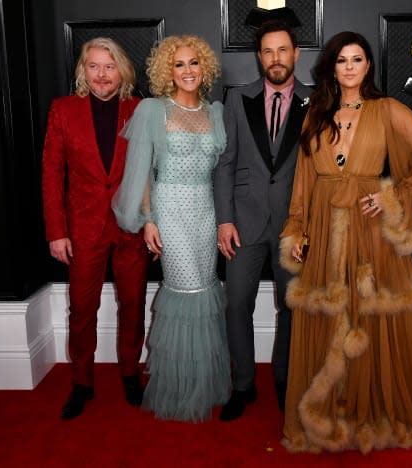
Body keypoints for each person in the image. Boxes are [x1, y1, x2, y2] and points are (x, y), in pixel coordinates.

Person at [279, 31, 412, 453]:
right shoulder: (315, 113)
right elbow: (303, 180)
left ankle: (371, 406)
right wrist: (296, 228)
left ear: (368, 66)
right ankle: (334, 403)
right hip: (323, 225)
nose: (350, 66)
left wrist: (394, 195)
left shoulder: (387, 109)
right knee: (330, 318)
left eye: (357, 59)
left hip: (370, 232)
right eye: (342, 60)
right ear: (332, 68)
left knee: (369, 318)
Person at [112, 35, 230, 422]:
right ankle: (178, 387)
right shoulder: (153, 110)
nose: (188, 71)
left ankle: (204, 382)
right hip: (170, 208)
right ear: (167, 71)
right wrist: (148, 220)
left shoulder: (216, 112)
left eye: (194, 63)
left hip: (204, 210)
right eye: (179, 64)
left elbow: (221, 173)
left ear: (205, 67)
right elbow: (143, 171)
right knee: (185, 289)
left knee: (206, 288)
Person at [42, 37, 149, 420]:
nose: (102, 75)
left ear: (122, 70)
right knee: (83, 309)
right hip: (83, 228)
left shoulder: (140, 110)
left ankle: (130, 374)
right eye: (94, 66)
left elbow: (155, 173)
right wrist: (57, 230)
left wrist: (152, 224)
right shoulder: (63, 110)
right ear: (83, 71)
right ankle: (82, 383)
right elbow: (52, 174)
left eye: (109, 66)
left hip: (132, 227)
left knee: (133, 305)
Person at [214, 19, 312, 421]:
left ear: (296, 54)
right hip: (243, 223)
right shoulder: (237, 99)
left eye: (283, 50)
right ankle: (243, 386)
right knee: (237, 305)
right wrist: (224, 220)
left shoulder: (316, 100)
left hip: (294, 226)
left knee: (292, 308)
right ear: (259, 57)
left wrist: (309, 225)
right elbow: (224, 164)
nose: (276, 58)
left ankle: (286, 383)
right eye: (268, 51)